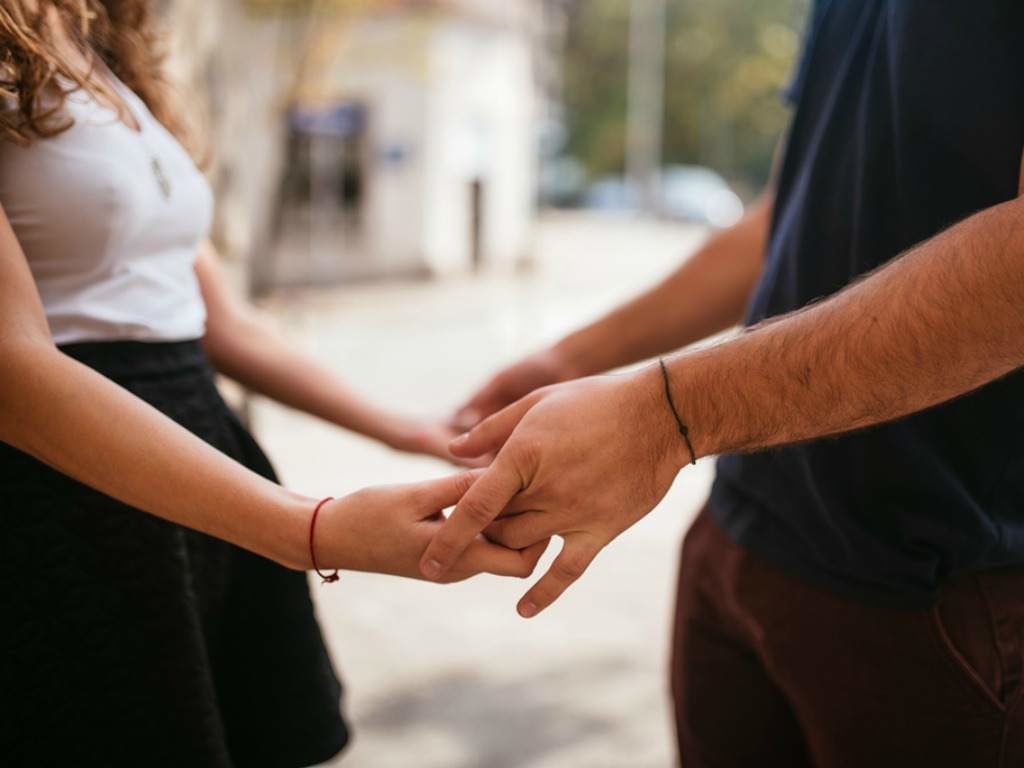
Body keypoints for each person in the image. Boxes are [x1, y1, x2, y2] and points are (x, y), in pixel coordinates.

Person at [424, 1, 1024, 765]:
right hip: (743, 536)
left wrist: (667, 414)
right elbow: (787, 213)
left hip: (940, 587)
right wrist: (573, 359)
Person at [0, 3, 545, 766]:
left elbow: (218, 321)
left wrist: (413, 430)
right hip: (69, 487)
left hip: (198, 468)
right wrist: (311, 530)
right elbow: (13, 368)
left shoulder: (97, 39)